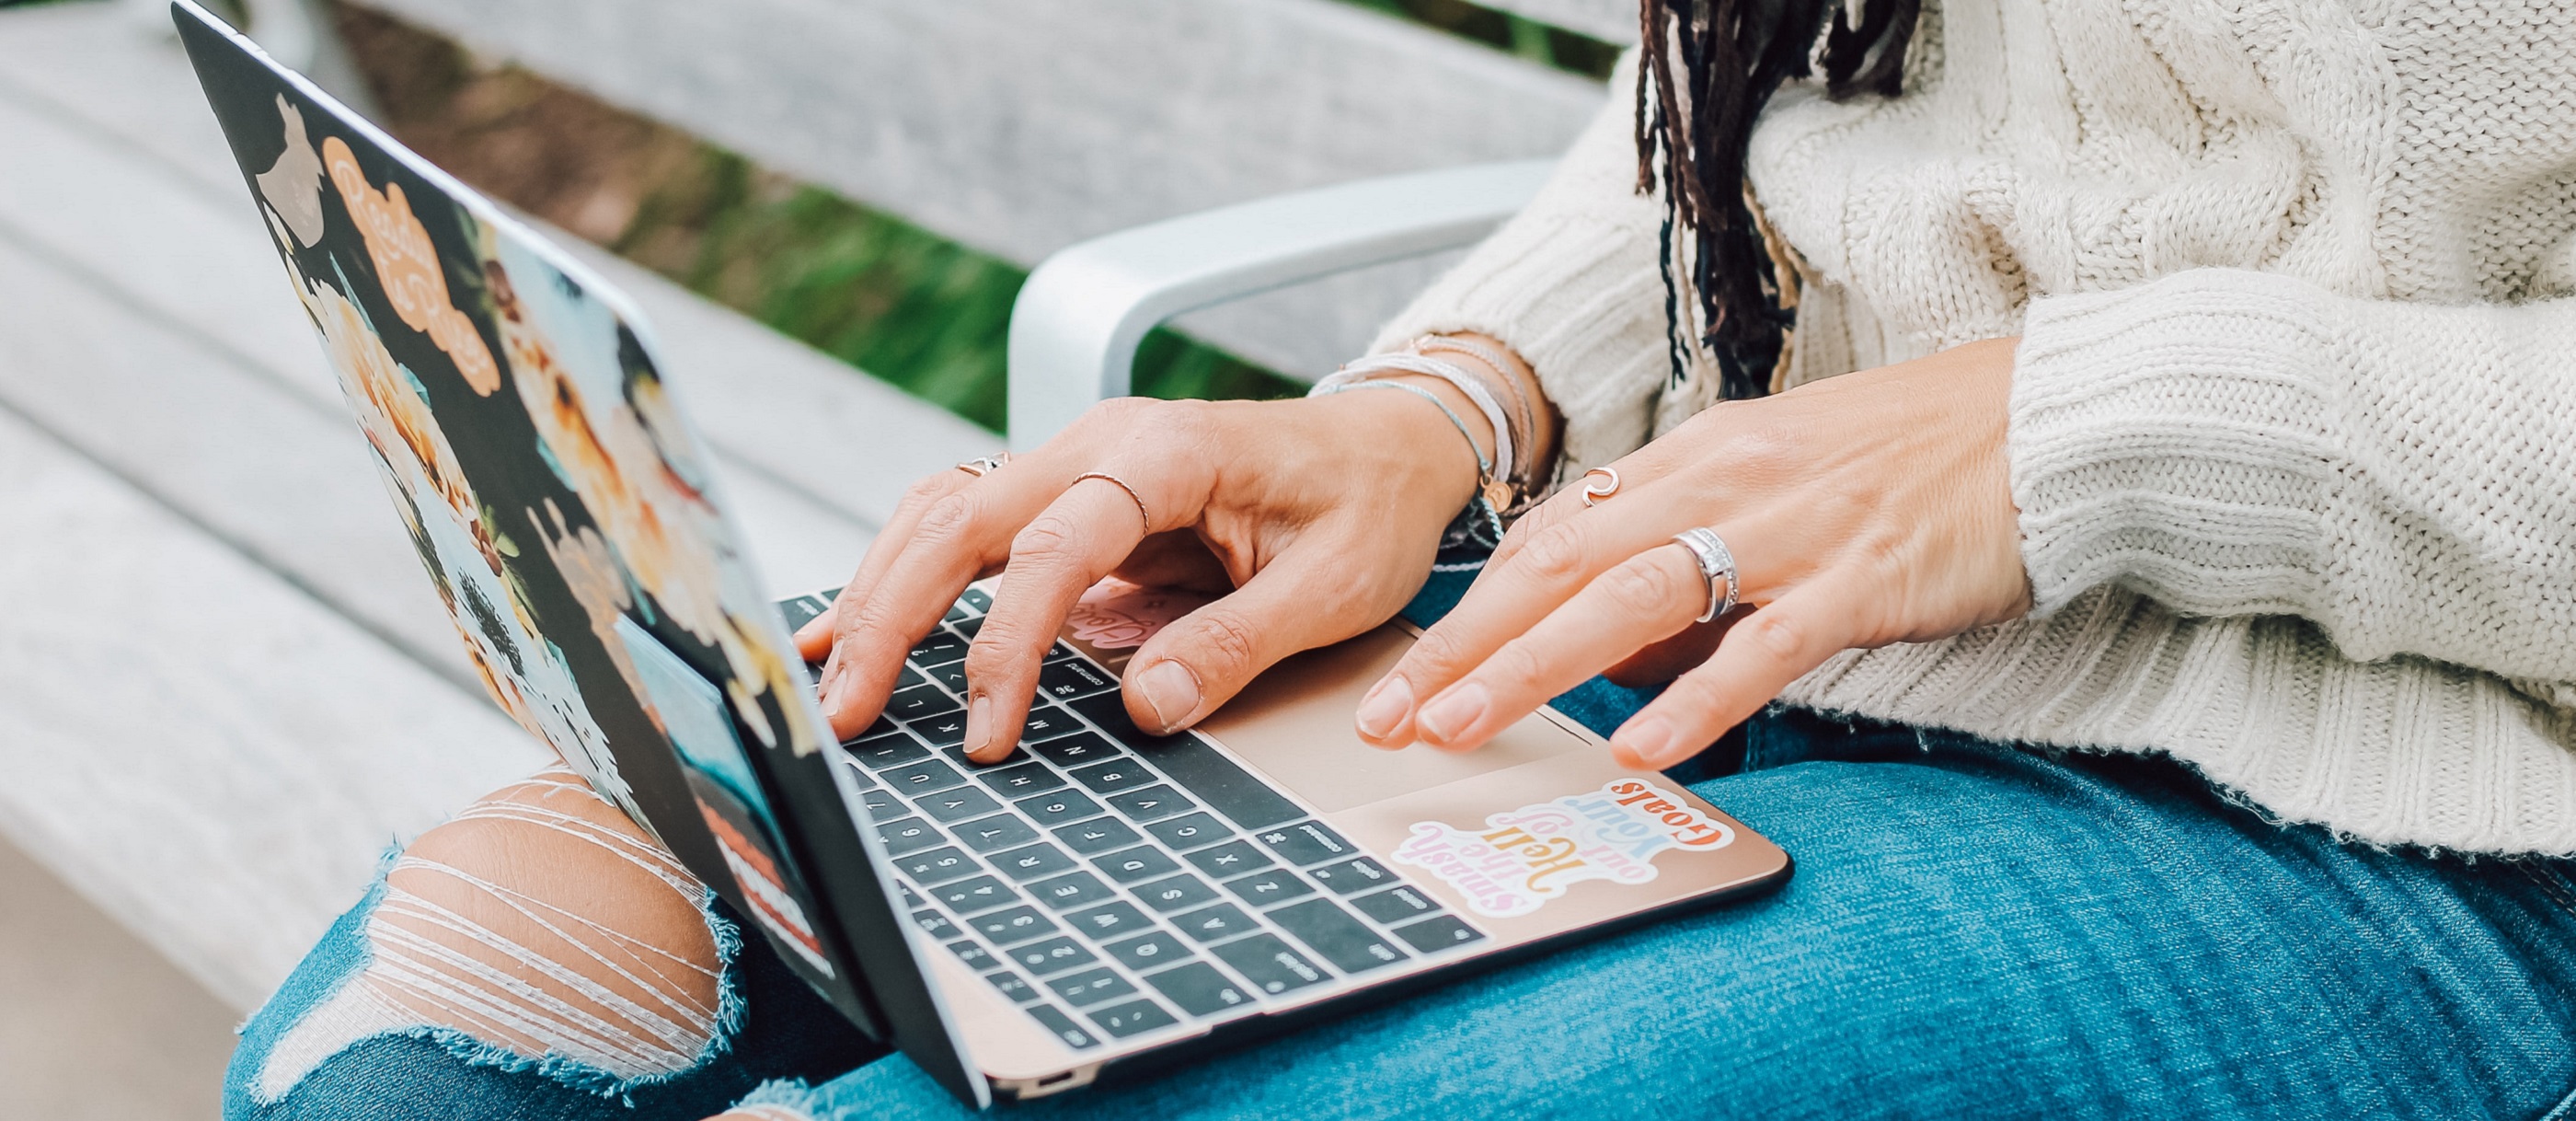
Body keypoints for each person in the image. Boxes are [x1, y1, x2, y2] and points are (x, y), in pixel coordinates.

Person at [224, 0, 2576, 1117]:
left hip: (2401, 791)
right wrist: (1433, 411)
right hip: (1688, 595)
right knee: (433, 1037)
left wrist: (2091, 428)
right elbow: (1836, 93)